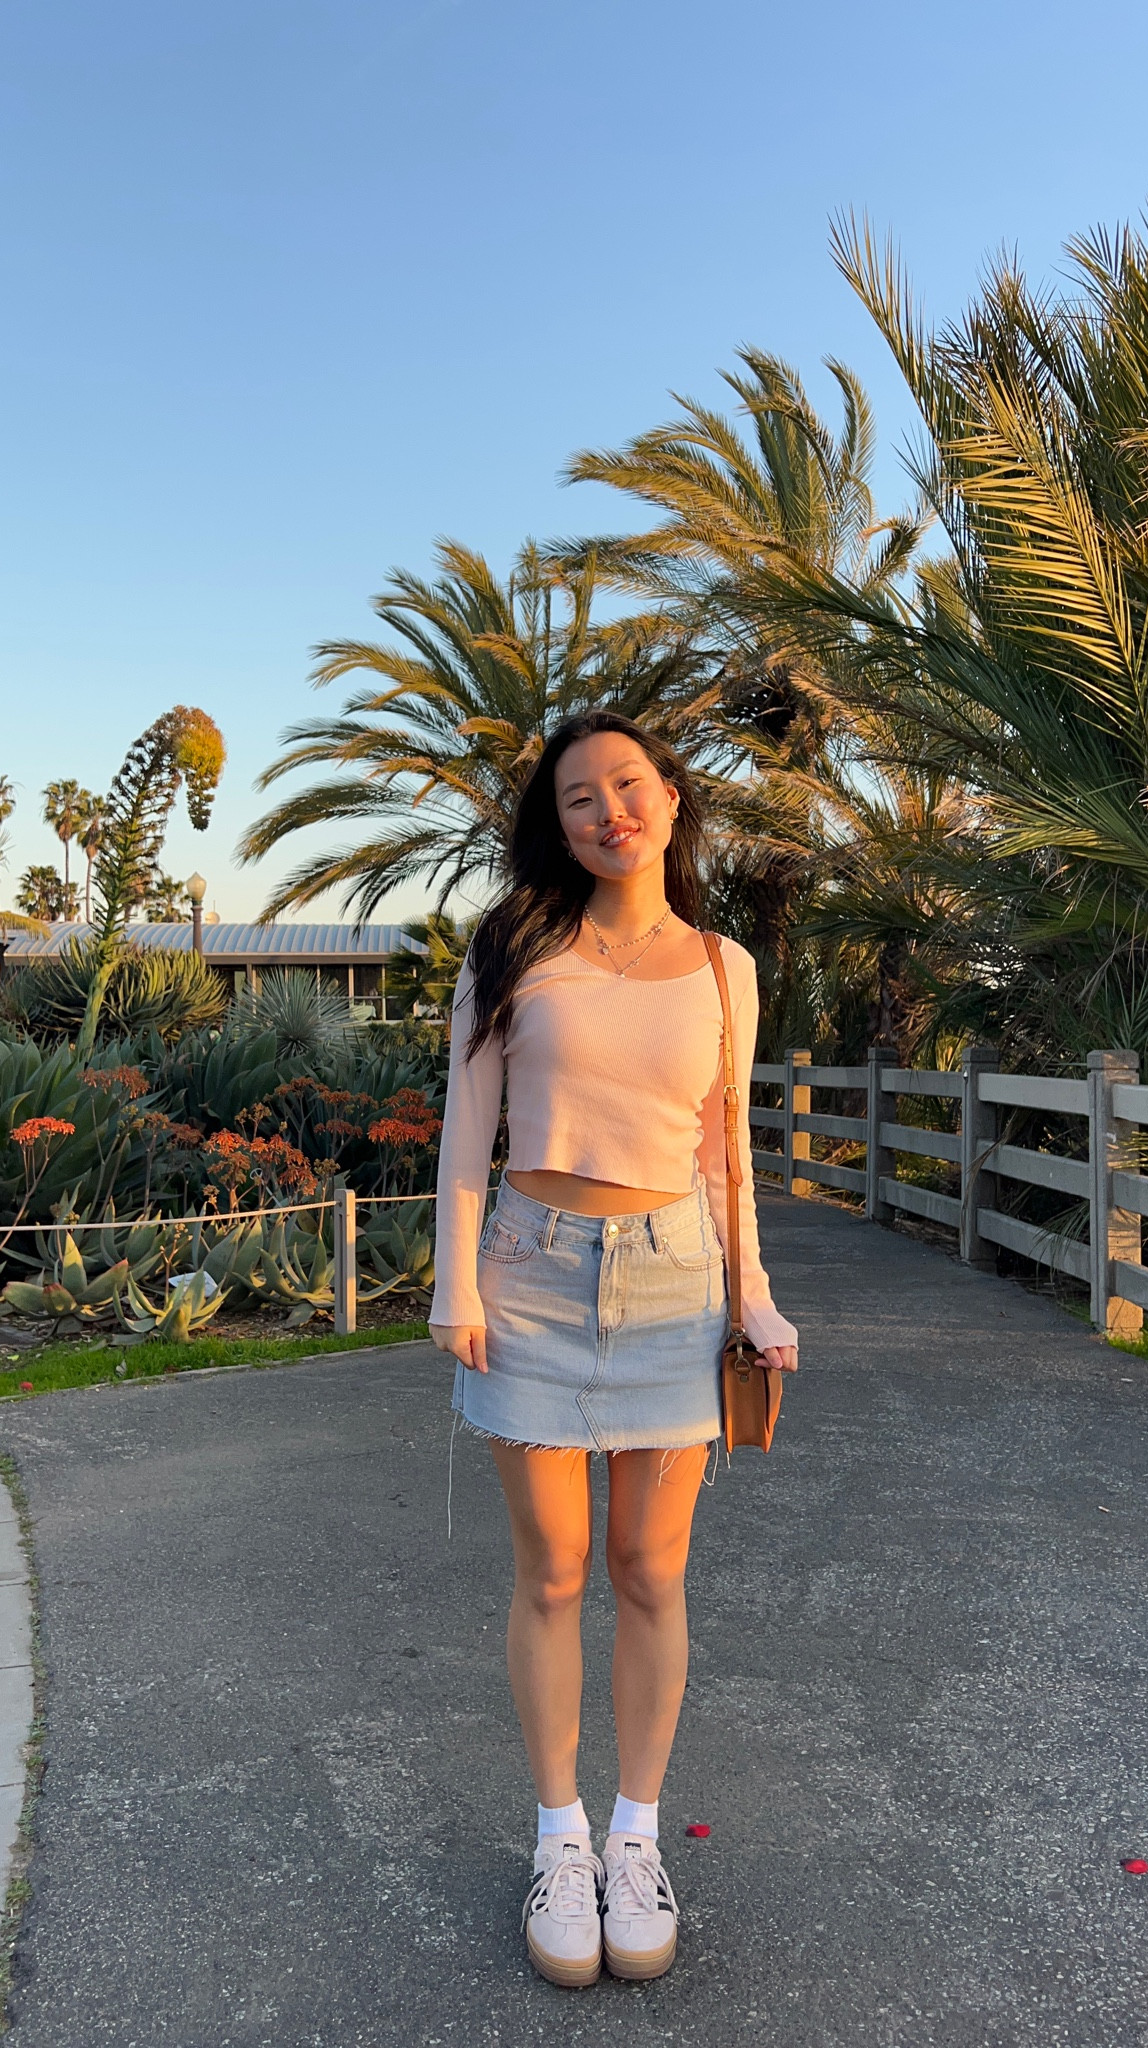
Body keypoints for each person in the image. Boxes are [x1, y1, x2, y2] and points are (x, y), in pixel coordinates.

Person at [431, 709, 800, 1987]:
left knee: (649, 1566)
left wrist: (753, 1298)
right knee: (552, 1570)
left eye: (627, 785)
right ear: (560, 821)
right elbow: (467, 1124)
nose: (608, 812)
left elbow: (726, 1152)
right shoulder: (512, 946)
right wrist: (451, 1284)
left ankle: (637, 1835)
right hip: (529, 1276)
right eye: (579, 797)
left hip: (675, 1277)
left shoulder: (721, 966)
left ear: (671, 797)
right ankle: (560, 1837)